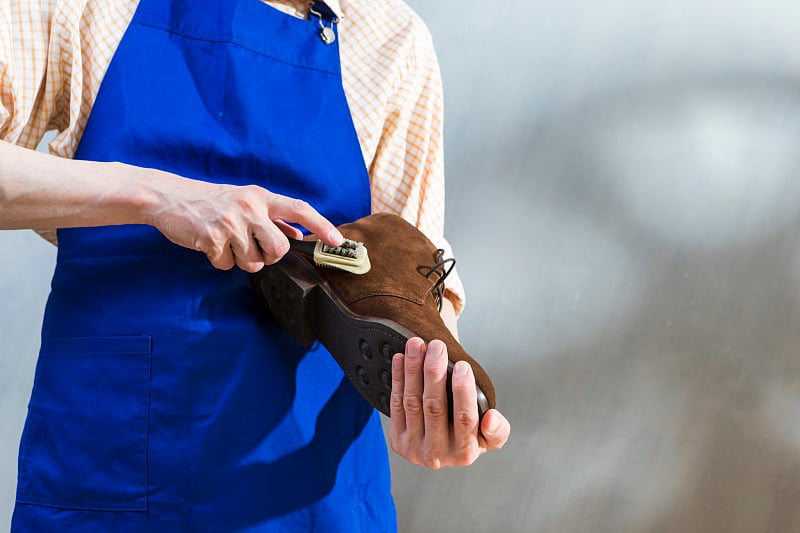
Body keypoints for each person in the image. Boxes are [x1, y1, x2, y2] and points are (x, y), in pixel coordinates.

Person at [0, 0, 511, 530]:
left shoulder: (391, 40)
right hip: (106, 480)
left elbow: (410, 271)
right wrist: (158, 196)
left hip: (312, 503)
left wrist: (431, 397)